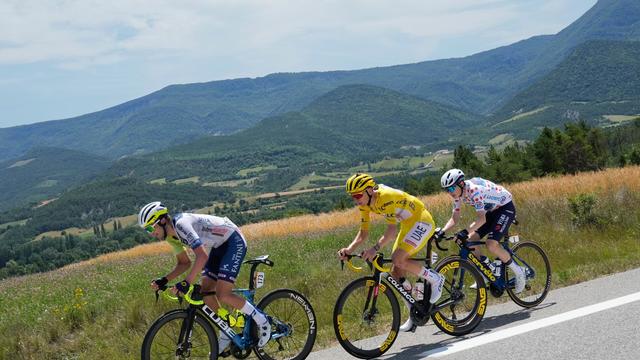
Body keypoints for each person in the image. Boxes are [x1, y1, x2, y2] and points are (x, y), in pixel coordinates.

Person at [139, 202, 271, 355]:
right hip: (218, 246)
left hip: (233, 241)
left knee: (223, 294)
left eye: (150, 227)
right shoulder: (171, 237)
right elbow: (184, 263)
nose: (150, 233)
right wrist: (164, 280)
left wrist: (187, 282)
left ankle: (262, 320)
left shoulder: (181, 225)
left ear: (162, 221)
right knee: (206, 293)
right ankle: (226, 333)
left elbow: (201, 256)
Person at [337, 173, 445, 332]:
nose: (355, 199)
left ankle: (436, 279)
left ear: (368, 190)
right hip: (408, 224)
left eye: (358, 195)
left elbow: (391, 232)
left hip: (421, 221)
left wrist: (374, 249)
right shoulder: (364, 204)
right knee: (396, 272)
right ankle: (413, 312)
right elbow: (363, 233)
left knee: (398, 259)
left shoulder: (385, 197)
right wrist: (349, 249)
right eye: (353, 196)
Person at [437, 169, 525, 293]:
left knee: (491, 244)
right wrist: (442, 231)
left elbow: (481, 219)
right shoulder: (458, 195)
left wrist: (465, 231)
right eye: (447, 190)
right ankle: (486, 270)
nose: (449, 192)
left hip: (505, 208)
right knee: (471, 239)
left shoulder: (474, 191)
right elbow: (455, 218)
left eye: (451, 189)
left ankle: (519, 273)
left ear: (461, 184)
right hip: (492, 211)